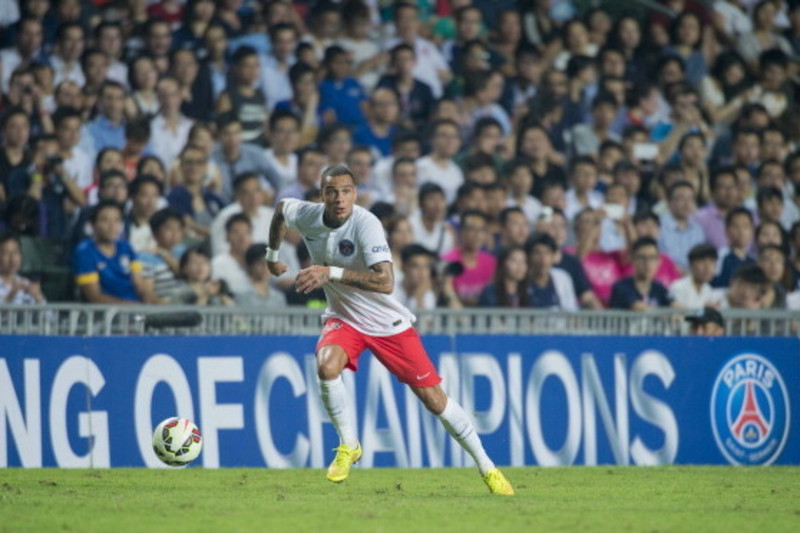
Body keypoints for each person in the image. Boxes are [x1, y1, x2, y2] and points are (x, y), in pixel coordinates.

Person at [265, 164, 513, 495]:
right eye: (332, 192)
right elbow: (281, 210)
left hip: (387, 324)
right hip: (345, 318)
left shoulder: (366, 224)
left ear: (355, 192)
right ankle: (348, 444)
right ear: (321, 195)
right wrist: (272, 255)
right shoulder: (307, 215)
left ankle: (487, 467)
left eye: (346, 191)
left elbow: (386, 282)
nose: (340, 199)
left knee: (434, 400)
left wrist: (331, 273)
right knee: (326, 365)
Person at [73, 200, 155, 304]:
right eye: (105, 220)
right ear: (93, 225)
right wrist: (133, 307)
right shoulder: (84, 252)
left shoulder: (126, 247)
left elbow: (139, 286)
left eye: (117, 220)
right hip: (107, 314)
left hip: (136, 309)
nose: (112, 226)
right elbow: (94, 297)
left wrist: (149, 305)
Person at [609, 237, 672, 310]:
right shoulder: (621, 287)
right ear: (633, 259)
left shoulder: (659, 288)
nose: (647, 263)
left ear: (659, 261)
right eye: (642, 258)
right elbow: (639, 308)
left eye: (652, 258)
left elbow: (674, 304)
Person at [234, 243, 287, 308]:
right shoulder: (241, 294)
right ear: (250, 265)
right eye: (260, 263)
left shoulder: (278, 297)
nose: (265, 267)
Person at [669, 243, 718, 309]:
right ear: (691, 264)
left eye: (712, 262)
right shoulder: (678, 287)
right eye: (702, 262)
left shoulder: (708, 290)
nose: (707, 267)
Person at [0, 232, 45, 304]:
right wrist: (11, 295)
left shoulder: (26, 284)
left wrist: (38, 297)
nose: (13, 259)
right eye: (7, 253)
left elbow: (50, 315)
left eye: (16, 252)